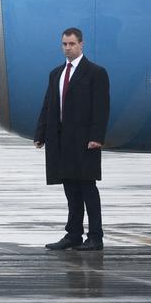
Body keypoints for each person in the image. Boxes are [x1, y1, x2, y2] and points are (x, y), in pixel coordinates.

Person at [35, 27, 110, 252]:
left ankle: (95, 236)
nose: (68, 48)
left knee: (87, 188)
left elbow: (102, 108)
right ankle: (73, 234)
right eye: (64, 44)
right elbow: (48, 105)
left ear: (81, 44)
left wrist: (97, 137)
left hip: (86, 140)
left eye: (72, 44)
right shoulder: (56, 73)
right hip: (62, 141)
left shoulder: (96, 72)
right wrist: (41, 134)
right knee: (70, 188)